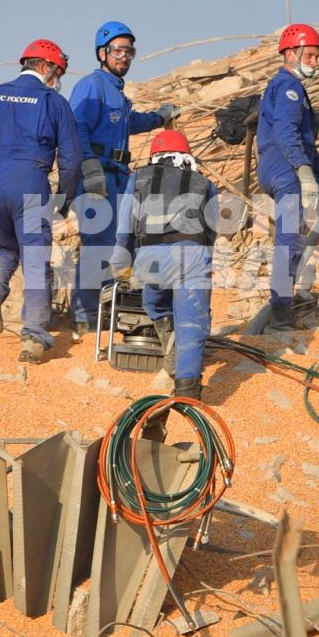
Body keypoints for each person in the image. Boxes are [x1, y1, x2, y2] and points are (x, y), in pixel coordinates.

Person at [0, 39, 84, 362]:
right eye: (58, 72)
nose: (57, 80)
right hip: (29, 184)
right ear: (45, 67)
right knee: (36, 261)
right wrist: (63, 200)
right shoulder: (53, 102)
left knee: (3, 250)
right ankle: (34, 339)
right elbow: (72, 159)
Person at [69, 21, 176, 335]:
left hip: (117, 176)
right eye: (117, 50)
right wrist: (89, 169)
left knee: (118, 245)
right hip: (96, 174)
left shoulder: (117, 92)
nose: (124, 57)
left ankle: (107, 314)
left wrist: (159, 117)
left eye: (129, 51)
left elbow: (127, 123)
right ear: (102, 53)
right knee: (97, 245)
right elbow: (77, 127)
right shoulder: (92, 85)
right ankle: (85, 318)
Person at [257, 23, 319, 329]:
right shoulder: (288, 87)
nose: (315, 62)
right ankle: (281, 311)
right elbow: (286, 134)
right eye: (309, 56)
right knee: (291, 235)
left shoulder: (295, 88)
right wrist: (302, 171)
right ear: (290, 53)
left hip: (292, 161)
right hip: (280, 165)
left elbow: (304, 146)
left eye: (316, 56)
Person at [114, 128, 217, 400]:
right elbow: (213, 228)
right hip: (193, 255)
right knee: (192, 323)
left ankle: (169, 344)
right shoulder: (203, 183)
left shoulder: (138, 179)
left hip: (151, 257)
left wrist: (120, 259)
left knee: (155, 303)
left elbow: (125, 223)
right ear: (186, 155)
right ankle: (188, 390)